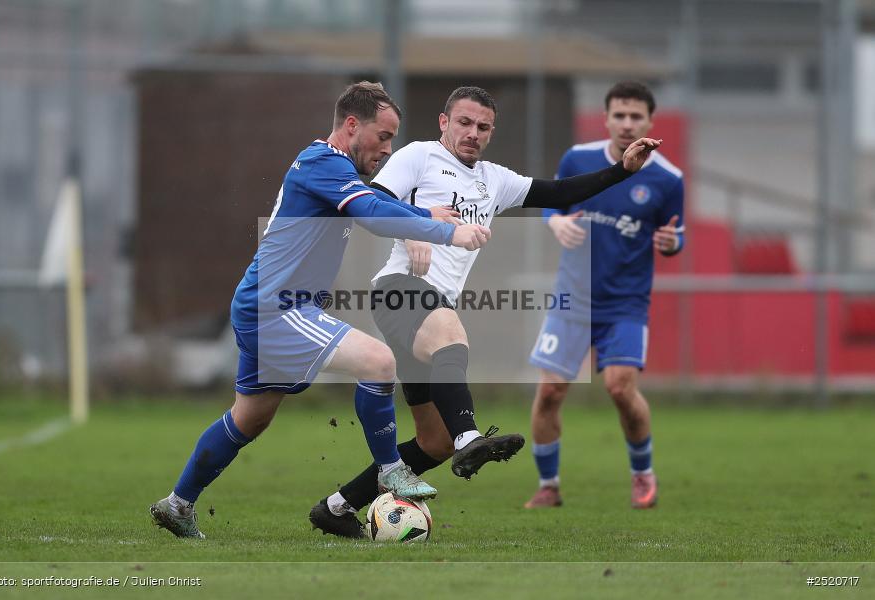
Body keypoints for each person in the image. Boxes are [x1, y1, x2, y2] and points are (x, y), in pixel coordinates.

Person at [308, 85, 661, 538]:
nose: (473, 132)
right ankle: (470, 438)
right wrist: (415, 229)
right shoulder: (418, 156)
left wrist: (621, 170)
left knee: (432, 442)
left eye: (483, 126)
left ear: (491, 132)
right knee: (452, 337)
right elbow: (372, 196)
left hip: (429, 307)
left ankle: (336, 508)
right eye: (464, 122)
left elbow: (559, 192)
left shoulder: (495, 180)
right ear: (444, 122)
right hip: (399, 289)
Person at [149, 81, 493, 539]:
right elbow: (371, 213)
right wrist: (448, 232)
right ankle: (391, 470)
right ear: (351, 125)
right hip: (277, 307)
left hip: (266, 304)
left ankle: (177, 504)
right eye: (383, 136)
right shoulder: (323, 162)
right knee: (379, 362)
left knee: (249, 418)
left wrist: (425, 215)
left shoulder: (331, 168)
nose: (388, 149)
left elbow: (376, 201)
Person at [524, 81, 684, 510]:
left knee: (619, 388)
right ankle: (548, 486)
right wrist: (555, 222)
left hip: (625, 303)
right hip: (572, 298)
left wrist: (672, 242)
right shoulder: (578, 159)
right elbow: (552, 202)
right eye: (620, 115)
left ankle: (642, 474)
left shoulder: (668, 178)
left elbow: (676, 234)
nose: (627, 124)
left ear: (650, 121)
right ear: (607, 119)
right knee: (550, 391)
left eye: (636, 116)